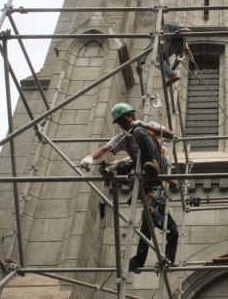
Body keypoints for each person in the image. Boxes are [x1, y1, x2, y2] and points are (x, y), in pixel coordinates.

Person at [80, 102, 178, 272]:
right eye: (119, 123)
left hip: (158, 164)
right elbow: (105, 148)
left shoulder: (146, 126)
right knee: (148, 221)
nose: (122, 125)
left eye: (123, 121)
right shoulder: (123, 137)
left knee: (140, 132)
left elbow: (171, 135)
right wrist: (90, 157)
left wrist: (146, 126)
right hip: (143, 173)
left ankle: (151, 165)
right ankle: (139, 261)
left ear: (131, 116)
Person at [158, 22, 192, 86]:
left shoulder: (167, 29)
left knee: (158, 60)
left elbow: (179, 58)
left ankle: (171, 75)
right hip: (179, 41)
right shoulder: (181, 52)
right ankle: (171, 75)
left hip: (175, 39)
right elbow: (179, 59)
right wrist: (172, 69)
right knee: (160, 59)